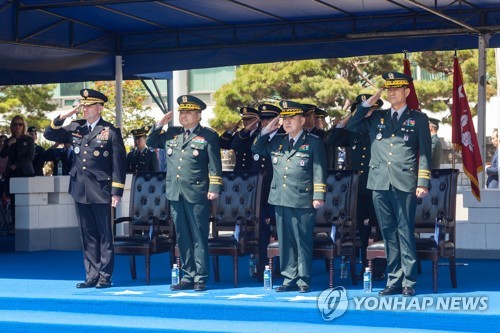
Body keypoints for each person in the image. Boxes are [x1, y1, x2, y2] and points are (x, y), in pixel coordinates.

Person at [347, 72, 432, 297]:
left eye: (396, 89)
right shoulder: (377, 117)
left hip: (405, 182)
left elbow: (425, 152)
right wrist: (368, 102)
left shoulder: (419, 119)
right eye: (388, 89)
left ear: (406, 92)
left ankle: (409, 281)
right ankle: (394, 280)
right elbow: (352, 125)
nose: (392, 92)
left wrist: (422, 181)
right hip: (379, 182)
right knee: (388, 233)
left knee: (405, 231)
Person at [44, 88, 127, 289]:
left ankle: (105, 275)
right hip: (80, 188)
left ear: (99, 108)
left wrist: (117, 192)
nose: (84, 109)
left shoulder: (110, 132)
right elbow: (49, 133)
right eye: (83, 106)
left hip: (101, 189)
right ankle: (91, 275)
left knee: (104, 235)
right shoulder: (75, 127)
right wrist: (65, 115)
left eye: (89, 106)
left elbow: (119, 164)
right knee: (87, 234)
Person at [147, 95, 222, 292]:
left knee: (199, 235)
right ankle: (187, 275)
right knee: (182, 236)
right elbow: (151, 141)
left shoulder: (209, 136)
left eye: (188, 112)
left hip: (197, 193)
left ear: (199, 115)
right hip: (175, 193)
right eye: (181, 112)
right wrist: (159, 124)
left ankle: (200, 277)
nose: (184, 116)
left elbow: (215, 166)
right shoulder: (172, 133)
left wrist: (214, 189)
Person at [252, 100, 327, 293]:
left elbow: (319, 170)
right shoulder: (276, 141)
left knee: (302, 239)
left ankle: (303, 279)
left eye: (292, 118)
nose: (287, 122)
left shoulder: (313, 142)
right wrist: (267, 130)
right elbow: (257, 149)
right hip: (280, 196)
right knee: (285, 239)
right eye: (285, 118)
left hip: (303, 197)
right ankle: (289, 277)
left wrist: (319, 195)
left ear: (302, 120)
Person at [326, 94, 386, 280]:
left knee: (378, 229)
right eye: (364, 109)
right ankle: (362, 266)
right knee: (359, 229)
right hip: (356, 189)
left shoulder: (381, 128)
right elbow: (330, 140)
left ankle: (377, 268)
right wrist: (347, 119)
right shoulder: (353, 130)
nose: (368, 113)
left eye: (371, 109)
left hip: (376, 185)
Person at [228, 107, 260, 171]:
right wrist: (230, 132)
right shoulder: (240, 134)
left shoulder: (261, 134)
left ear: (256, 120)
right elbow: (223, 144)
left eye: (248, 119)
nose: (245, 122)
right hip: (239, 173)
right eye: (244, 120)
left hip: (255, 173)